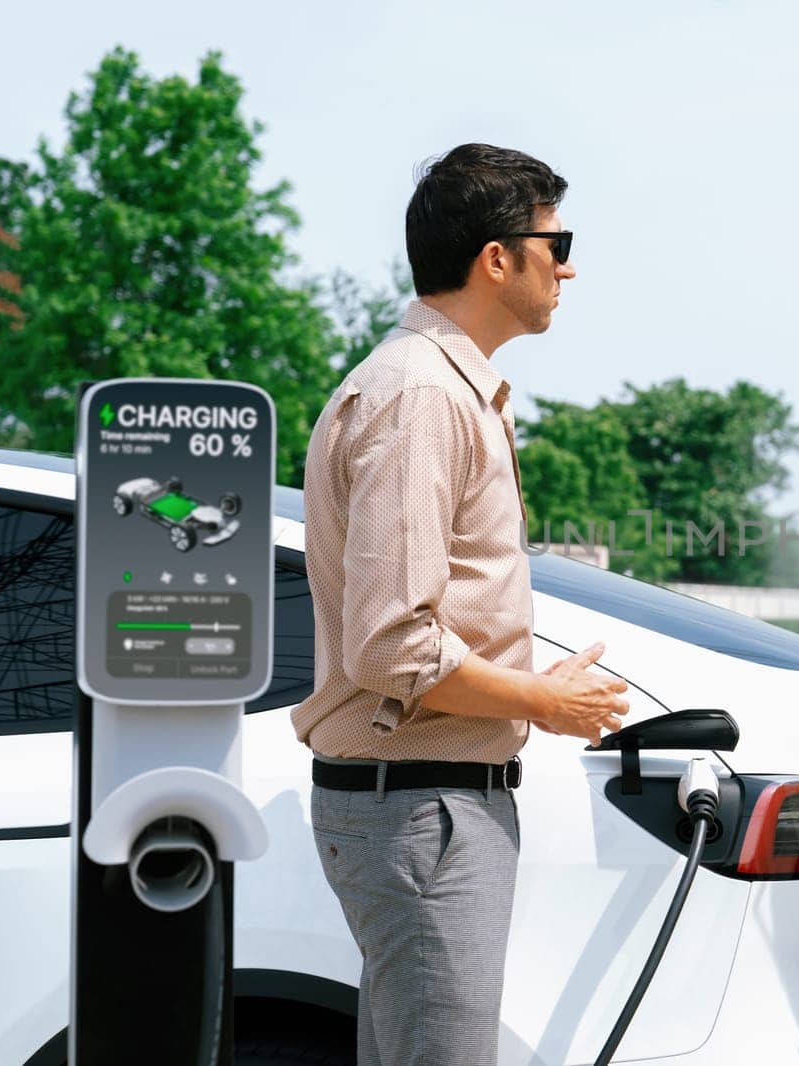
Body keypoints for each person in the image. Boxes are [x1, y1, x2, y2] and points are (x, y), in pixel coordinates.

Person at [293, 143, 631, 1066]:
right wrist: (543, 703)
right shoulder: (419, 398)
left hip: (424, 807)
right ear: (497, 257)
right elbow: (392, 645)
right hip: (421, 809)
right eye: (556, 245)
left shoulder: (440, 389)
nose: (569, 267)